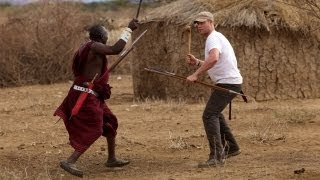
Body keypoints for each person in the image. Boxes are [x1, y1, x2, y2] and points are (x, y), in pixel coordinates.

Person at [54, 19, 138, 177]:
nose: (107, 37)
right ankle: (70, 161)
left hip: (91, 94)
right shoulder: (94, 45)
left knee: (109, 123)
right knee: (94, 128)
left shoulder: (87, 47)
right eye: (106, 34)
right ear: (100, 36)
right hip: (85, 95)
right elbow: (116, 49)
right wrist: (128, 30)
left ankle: (111, 159)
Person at [186, 11, 242, 168]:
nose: (198, 26)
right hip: (229, 82)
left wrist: (195, 74)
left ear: (211, 22)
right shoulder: (216, 37)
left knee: (209, 115)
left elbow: (214, 58)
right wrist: (197, 62)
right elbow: (216, 60)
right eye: (197, 23)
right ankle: (231, 147)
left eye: (202, 22)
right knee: (215, 114)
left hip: (228, 83)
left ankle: (217, 157)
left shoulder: (213, 38)